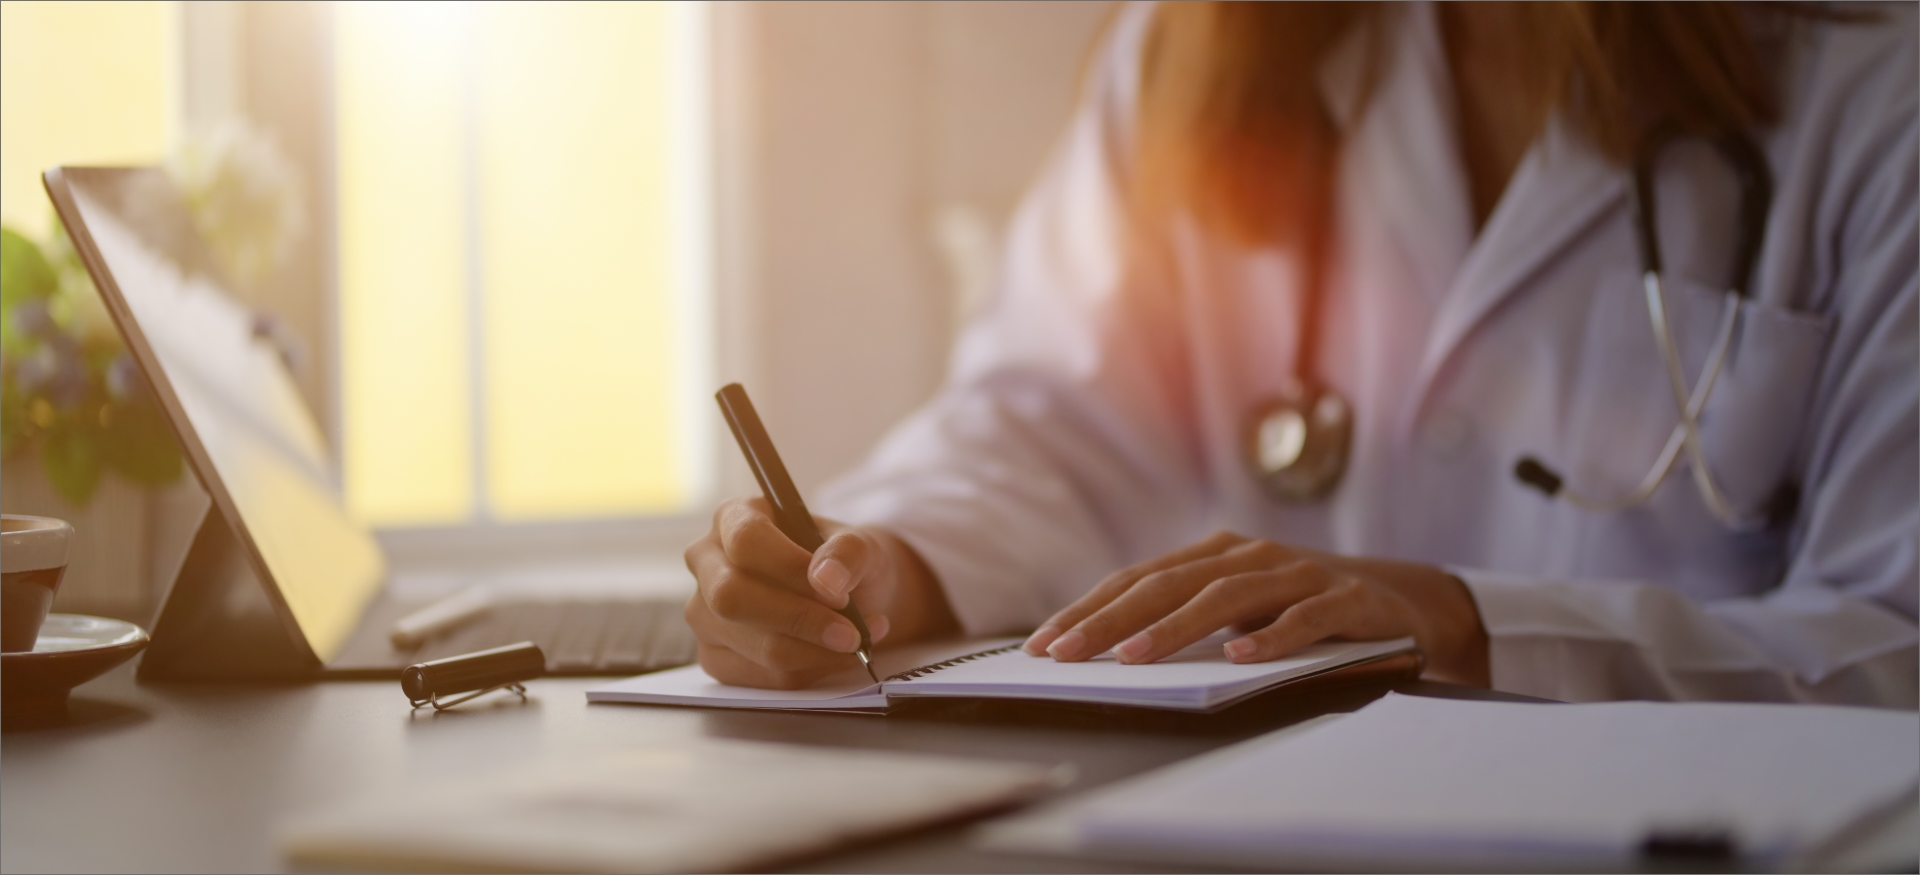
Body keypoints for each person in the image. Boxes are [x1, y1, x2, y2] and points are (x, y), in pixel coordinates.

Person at [683, 2, 1917, 705]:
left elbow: (1895, 640)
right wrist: (876, 562)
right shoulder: (1201, 49)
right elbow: (1043, 423)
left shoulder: (1874, 82)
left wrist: (1467, 619)